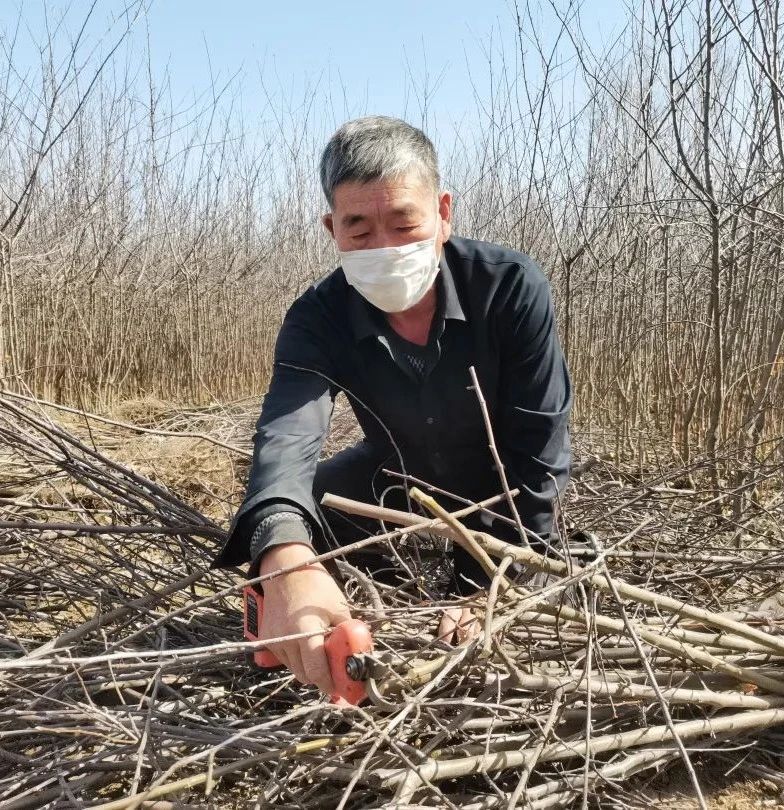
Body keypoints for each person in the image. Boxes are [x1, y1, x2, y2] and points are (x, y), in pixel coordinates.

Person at [214, 116, 572, 697]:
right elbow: (287, 438)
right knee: (296, 515)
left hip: (500, 486)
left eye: (405, 224)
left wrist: (487, 583)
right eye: (359, 230)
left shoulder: (509, 286)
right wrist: (286, 562)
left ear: (443, 212)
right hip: (392, 476)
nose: (384, 248)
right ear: (332, 228)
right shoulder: (318, 317)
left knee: (527, 553)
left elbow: (541, 446)